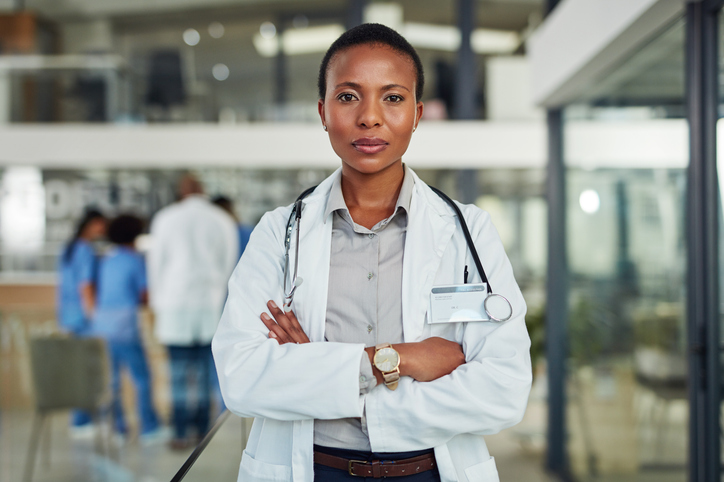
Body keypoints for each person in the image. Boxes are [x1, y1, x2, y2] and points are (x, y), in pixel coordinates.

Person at [212, 23, 532, 482]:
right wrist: (396, 358)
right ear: (322, 111)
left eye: (393, 97)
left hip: (431, 471)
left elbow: (504, 387)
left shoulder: (469, 231)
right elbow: (241, 377)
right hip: (313, 469)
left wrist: (321, 373)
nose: (370, 117)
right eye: (347, 97)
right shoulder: (278, 232)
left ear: (418, 113)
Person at [147, 174, 238, 450]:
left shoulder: (165, 218)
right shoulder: (221, 220)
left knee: (176, 374)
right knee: (202, 372)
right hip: (209, 306)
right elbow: (228, 265)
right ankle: (201, 430)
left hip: (174, 308)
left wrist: (157, 304)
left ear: (181, 191)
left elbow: (156, 265)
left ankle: (179, 431)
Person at [92, 214, 163, 444]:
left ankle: (117, 427)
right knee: (141, 377)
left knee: (112, 380)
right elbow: (144, 294)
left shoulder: (106, 259)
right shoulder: (135, 260)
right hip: (125, 326)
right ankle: (149, 426)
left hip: (101, 326)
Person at [57, 208, 107, 435]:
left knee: (79, 368)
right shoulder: (85, 250)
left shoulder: (70, 248)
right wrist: (94, 315)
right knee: (87, 370)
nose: (104, 229)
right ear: (93, 223)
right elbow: (85, 286)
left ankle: (80, 420)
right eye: (101, 224)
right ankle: (81, 421)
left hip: (68, 315)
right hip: (83, 317)